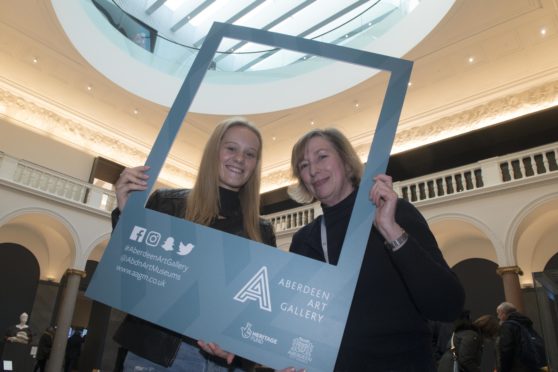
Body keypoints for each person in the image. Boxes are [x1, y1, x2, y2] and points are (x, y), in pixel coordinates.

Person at [287, 128, 465, 371]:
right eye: (304, 165)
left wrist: (391, 230)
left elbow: (448, 304)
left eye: (322, 157)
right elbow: (296, 322)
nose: (314, 170)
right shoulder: (304, 241)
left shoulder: (396, 214)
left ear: (347, 163)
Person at [111, 117, 276, 371]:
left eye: (250, 154)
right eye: (231, 148)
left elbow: (256, 315)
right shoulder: (166, 204)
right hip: (155, 356)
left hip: (222, 365)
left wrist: (237, 345)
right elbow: (129, 277)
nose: (240, 159)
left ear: (256, 164)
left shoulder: (262, 232)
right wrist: (127, 217)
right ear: (214, 151)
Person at [496, 302, 547, 372]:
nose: (498, 317)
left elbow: (507, 349)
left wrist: (503, 369)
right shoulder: (525, 323)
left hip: (518, 367)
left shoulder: (508, 326)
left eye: (498, 314)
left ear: (503, 313)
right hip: (535, 366)